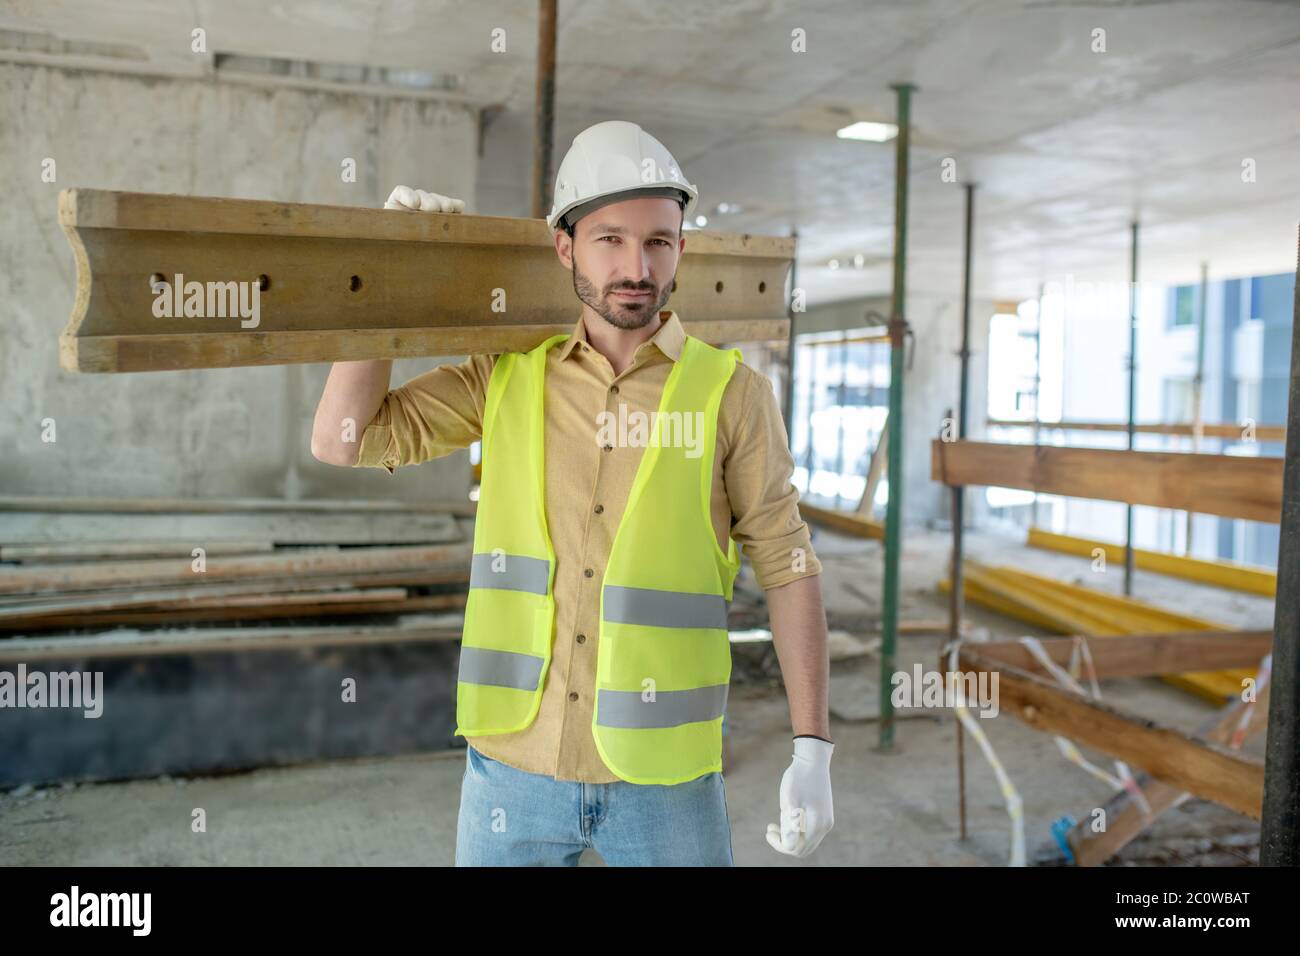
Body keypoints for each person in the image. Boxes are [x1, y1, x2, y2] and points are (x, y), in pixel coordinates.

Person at [312, 120, 833, 866]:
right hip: (511, 769)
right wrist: (386, 276)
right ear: (566, 247)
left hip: (668, 782)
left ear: (681, 248)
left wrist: (812, 747)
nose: (637, 265)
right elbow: (343, 438)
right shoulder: (508, 374)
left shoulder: (732, 394)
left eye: (659, 240)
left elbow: (788, 563)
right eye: (610, 239)